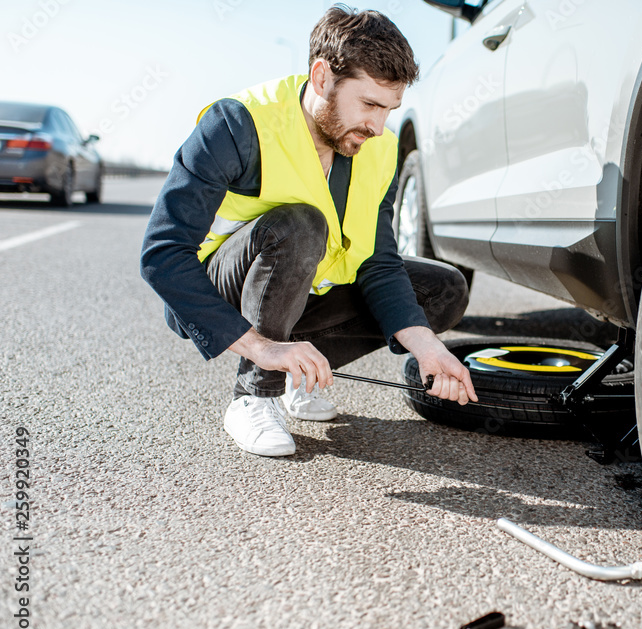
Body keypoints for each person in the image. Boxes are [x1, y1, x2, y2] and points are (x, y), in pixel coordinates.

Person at [140, 5, 477, 458]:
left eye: (390, 108)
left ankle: (299, 372)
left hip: (304, 291)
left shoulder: (379, 149)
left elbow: (377, 262)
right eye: (370, 105)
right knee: (299, 225)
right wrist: (262, 349)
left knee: (443, 289)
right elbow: (162, 254)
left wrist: (427, 349)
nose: (378, 126)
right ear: (322, 79)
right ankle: (255, 395)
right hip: (221, 288)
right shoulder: (237, 125)